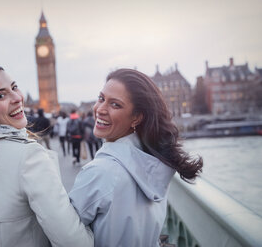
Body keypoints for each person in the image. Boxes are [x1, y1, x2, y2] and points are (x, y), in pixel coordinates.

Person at [0, 63, 93, 247]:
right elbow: (73, 241)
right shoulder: (28, 156)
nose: (17, 98)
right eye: (0, 95)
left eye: (14, 87)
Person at [69, 68, 203, 247]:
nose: (100, 109)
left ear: (137, 118)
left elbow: (63, 235)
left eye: (115, 104)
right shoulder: (156, 164)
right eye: (101, 98)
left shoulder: (100, 172)